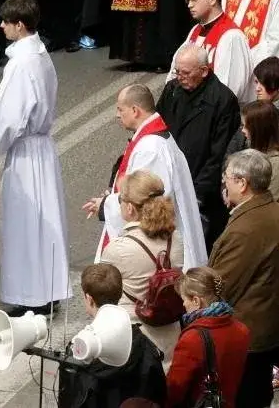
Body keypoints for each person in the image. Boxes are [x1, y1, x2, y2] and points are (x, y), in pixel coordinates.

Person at [0, 0, 70, 315]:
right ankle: (46, 289)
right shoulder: (39, 54)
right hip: (41, 148)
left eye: (5, 22)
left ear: (19, 25)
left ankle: (31, 296)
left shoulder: (22, 63)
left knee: (27, 223)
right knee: (45, 222)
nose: (0, 26)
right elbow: (8, 102)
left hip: (27, 153)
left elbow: (9, 115)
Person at [83, 84, 207, 270]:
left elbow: (144, 200)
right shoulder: (152, 139)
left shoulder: (151, 148)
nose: (117, 115)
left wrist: (106, 205)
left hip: (155, 250)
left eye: (120, 109)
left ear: (135, 110)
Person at [208, 149, 279, 407]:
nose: (224, 182)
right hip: (266, 327)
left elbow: (219, 286)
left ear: (242, 183)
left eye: (226, 177)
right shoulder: (269, 211)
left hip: (246, 337)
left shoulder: (245, 230)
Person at [157, 44, 241, 248]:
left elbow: (219, 154)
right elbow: (158, 127)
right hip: (169, 180)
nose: (179, 77)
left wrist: (197, 193)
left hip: (201, 192)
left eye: (185, 73)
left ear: (204, 71)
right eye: (177, 71)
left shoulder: (223, 100)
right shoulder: (172, 90)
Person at [100, 170, 184, 370]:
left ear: (130, 208)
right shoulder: (176, 239)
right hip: (172, 335)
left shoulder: (118, 249)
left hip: (136, 344)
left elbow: (103, 293)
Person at [57, 263, 167, 407]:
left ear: (89, 299)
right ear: (120, 294)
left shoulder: (79, 349)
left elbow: (70, 398)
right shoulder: (142, 342)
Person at [165, 266, 251, 408]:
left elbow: (175, 389)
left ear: (196, 301)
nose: (183, 304)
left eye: (184, 299)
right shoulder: (242, 329)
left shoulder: (192, 339)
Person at [169, 0, 254, 105]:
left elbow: (228, 89)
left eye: (194, 0)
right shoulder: (196, 30)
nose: (189, 5)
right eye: (188, 0)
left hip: (214, 113)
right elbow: (175, 70)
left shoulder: (231, 36)